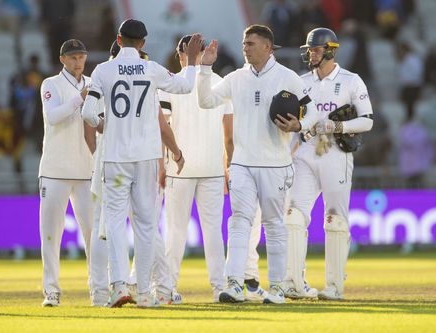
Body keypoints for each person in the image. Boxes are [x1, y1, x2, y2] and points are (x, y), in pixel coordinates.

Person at [81, 19, 202, 308]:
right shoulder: (152, 68)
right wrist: (194, 61)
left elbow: (87, 114)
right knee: (147, 224)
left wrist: (103, 124)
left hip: (116, 158)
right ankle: (145, 292)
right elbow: (185, 86)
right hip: (147, 157)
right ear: (143, 44)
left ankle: (119, 285)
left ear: (119, 40)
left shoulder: (103, 70)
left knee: (113, 221)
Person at [197, 24, 319, 304]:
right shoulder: (236, 77)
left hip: (276, 164)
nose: (245, 47)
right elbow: (205, 101)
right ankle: (235, 284)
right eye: (244, 43)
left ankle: (276, 287)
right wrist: (204, 69)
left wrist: (300, 124)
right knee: (239, 221)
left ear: (267, 46)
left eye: (250, 43)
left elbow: (311, 109)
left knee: (274, 224)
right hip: (241, 163)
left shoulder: (287, 77)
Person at [279, 28, 373, 301]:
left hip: (335, 152)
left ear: (330, 50)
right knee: (293, 215)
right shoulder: (300, 81)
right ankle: (293, 282)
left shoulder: (351, 81)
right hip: (305, 152)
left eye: (316, 49)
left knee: (334, 219)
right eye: (309, 50)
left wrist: (337, 125)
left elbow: (367, 120)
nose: (311, 54)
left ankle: (334, 286)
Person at [158, 34, 233, 303]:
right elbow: (228, 134)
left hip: (191, 168)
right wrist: (227, 167)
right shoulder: (215, 84)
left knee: (178, 231)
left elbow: (227, 133)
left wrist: (226, 168)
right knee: (204, 231)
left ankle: (168, 289)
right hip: (192, 168)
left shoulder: (171, 84)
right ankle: (218, 288)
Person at [39, 39, 106, 307]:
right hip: (55, 170)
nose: (79, 62)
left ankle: (98, 291)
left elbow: (99, 121)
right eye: (74, 57)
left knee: (93, 233)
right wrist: (81, 99)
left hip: (86, 170)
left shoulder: (93, 83)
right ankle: (51, 291)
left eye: (82, 57)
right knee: (51, 234)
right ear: (62, 59)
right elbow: (53, 117)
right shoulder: (51, 84)